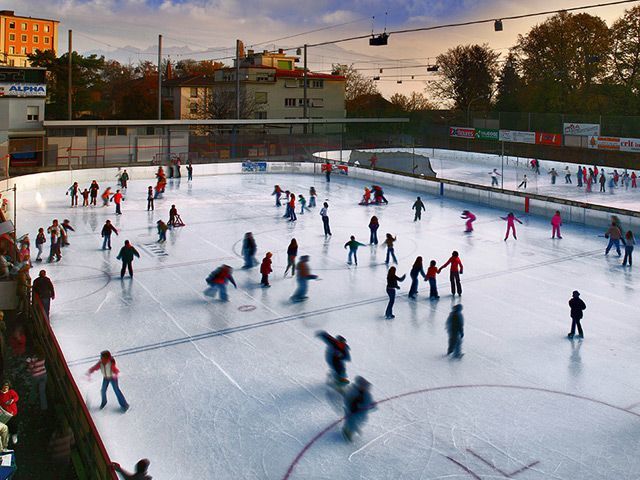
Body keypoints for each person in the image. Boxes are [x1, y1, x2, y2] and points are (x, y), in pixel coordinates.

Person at [342, 376, 375, 442]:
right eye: (363, 386)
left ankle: (353, 429)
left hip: (362, 413)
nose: (365, 388)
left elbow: (370, 403)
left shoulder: (367, 394)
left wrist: (372, 405)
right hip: (352, 412)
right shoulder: (353, 391)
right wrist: (351, 406)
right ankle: (347, 431)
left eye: (366, 386)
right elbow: (347, 400)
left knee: (361, 421)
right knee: (351, 422)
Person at [26, 346, 47, 411]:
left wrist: (28, 362)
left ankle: (31, 403)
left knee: (34, 389)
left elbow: (30, 367)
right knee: (42, 391)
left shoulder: (33, 359)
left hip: (36, 376)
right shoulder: (43, 357)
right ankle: (44, 407)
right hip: (44, 375)